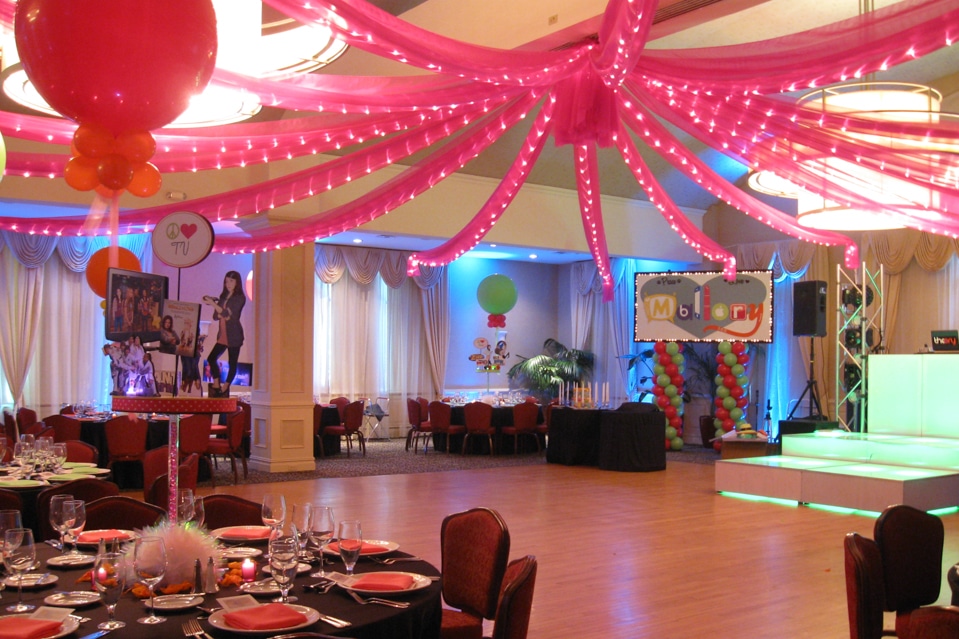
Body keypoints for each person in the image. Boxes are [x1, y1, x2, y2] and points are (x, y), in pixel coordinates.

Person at [203, 271, 245, 397]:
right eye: (226, 281)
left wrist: (214, 305)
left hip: (234, 335)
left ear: (237, 282)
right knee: (211, 358)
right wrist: (218, 308)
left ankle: (226, 385)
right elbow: (216, 316)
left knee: (232, 362)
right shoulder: (224, 296)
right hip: (222, 334)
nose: (228, 284)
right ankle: (216, 382)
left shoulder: (239, 298)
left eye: (231, 281)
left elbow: (228, 315)